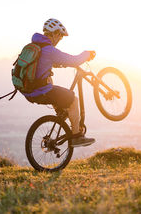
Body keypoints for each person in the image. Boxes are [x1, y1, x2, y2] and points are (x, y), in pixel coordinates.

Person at [22, 18, 96, 147]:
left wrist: (58, 64)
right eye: (60, 36)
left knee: (54, 88)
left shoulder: (36, 46)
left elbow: (42, 64)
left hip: (28, 91)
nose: (59, 40)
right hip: (40, 92)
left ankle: (61, 112)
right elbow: (74, 61)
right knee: (73, 99)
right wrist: (87, 54)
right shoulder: (49, 50)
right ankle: (76, 137)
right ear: (54, 33)